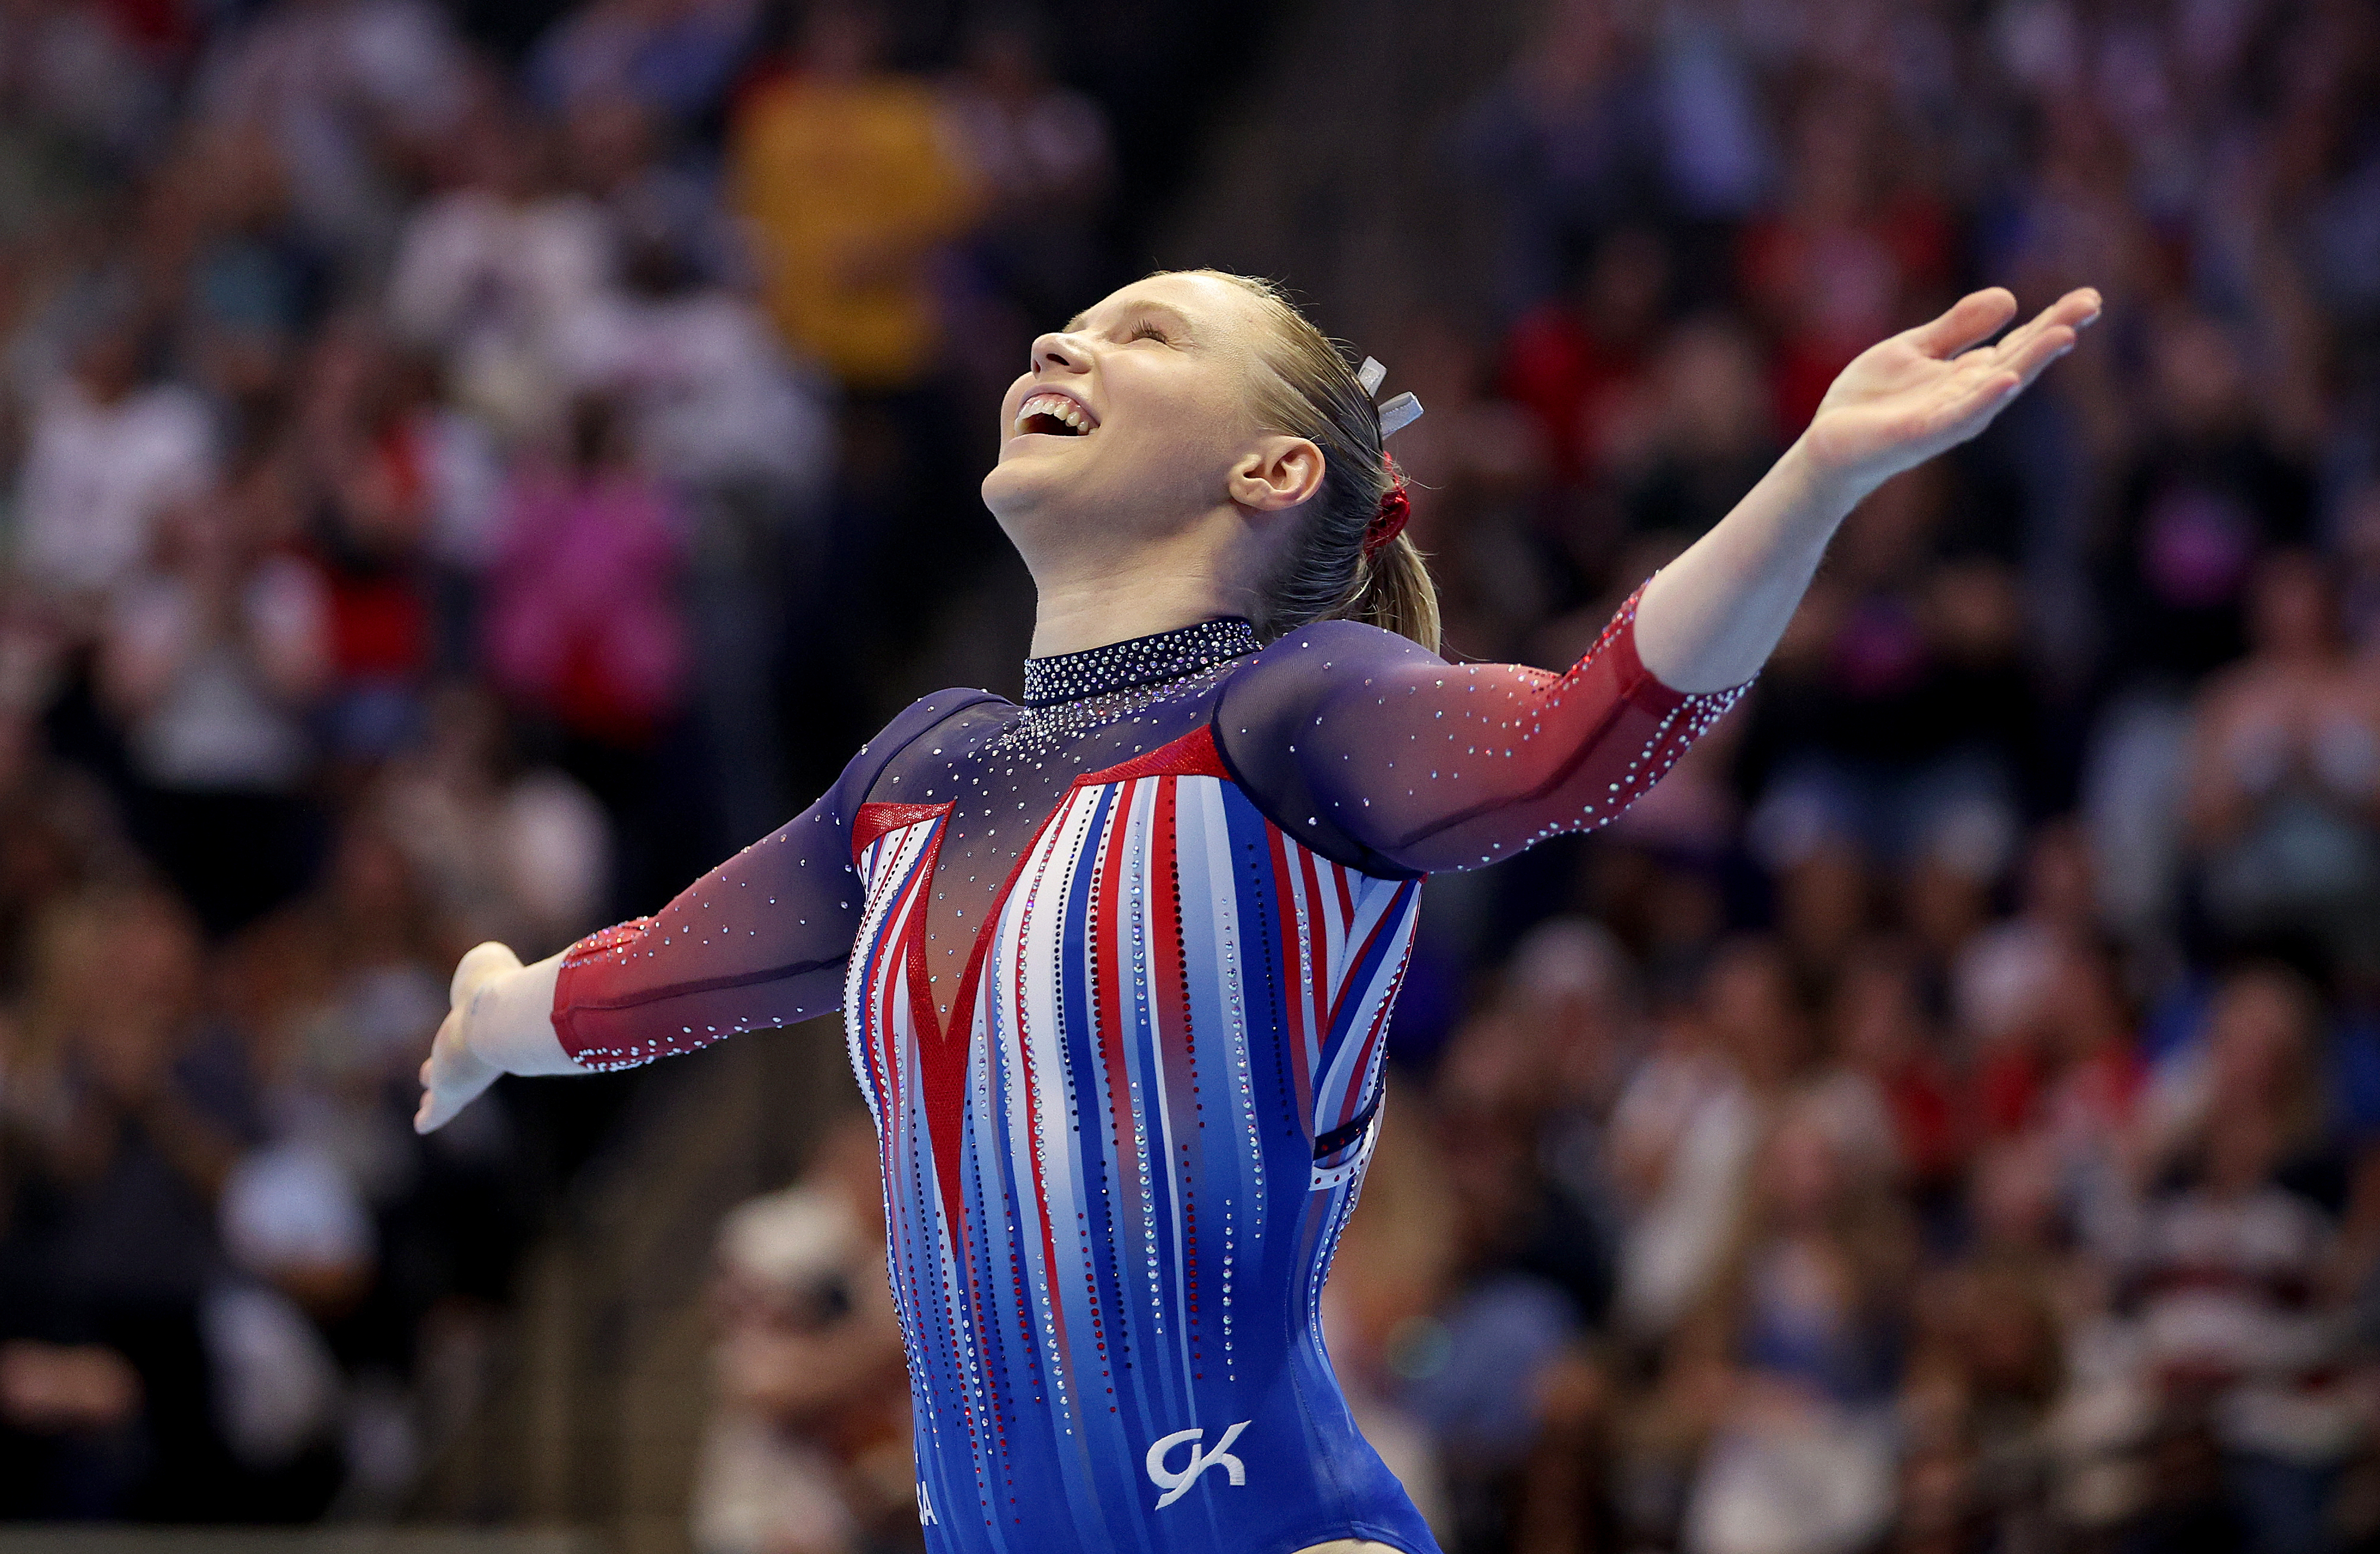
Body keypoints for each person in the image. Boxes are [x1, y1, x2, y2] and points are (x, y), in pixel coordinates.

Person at [416, 267, 2099, 1553]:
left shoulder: (1299, 708)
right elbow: (664, 977)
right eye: (1061, 331)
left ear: (1273, 464)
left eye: (1140, 337)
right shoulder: (919, 770)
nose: (1057, 351)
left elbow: (1588, 734)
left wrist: (1810, 477)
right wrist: (498, 1009)